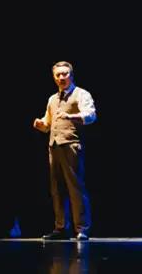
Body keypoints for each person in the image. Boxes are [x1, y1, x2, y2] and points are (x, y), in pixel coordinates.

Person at [33, 61, 97, 241]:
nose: (61, 77)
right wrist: (41, 124)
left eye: (65, 74)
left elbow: (91, 115)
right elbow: (48, 123)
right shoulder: (52, 99)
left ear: (71, 75)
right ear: (54, 78)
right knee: (57, 189)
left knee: (76, 187)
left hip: (71, 145)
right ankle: (61, 227)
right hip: (54, 146)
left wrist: (71, 116)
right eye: (58, 75)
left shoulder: (81, 94)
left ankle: (82, 228)